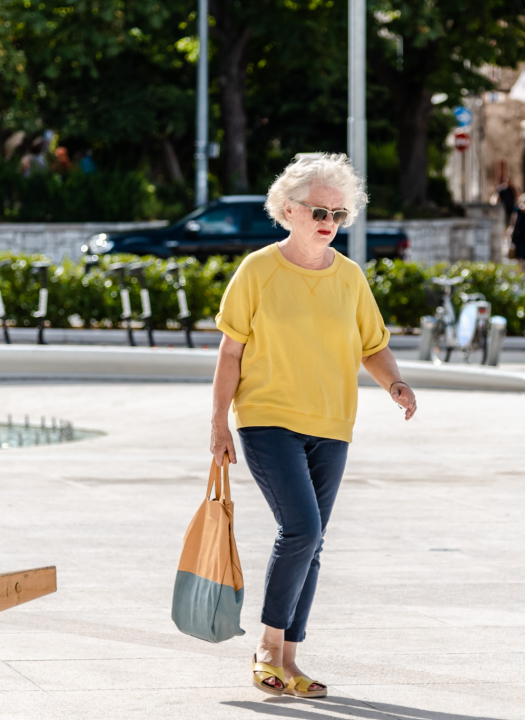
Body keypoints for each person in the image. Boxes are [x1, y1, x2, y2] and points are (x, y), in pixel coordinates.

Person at [209, 153, 417, 699]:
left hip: (332, 424)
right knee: (300, 529)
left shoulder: (349, 278)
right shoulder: (257, 270)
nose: (329, 221)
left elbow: (374, 346)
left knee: (314, 541)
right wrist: (218, 424)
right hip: (266, 420)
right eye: (318, 210)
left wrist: (394, 384)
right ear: (288, 209)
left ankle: (290, 660)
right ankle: (267, 649)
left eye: (338, 213)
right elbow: (230, 353)